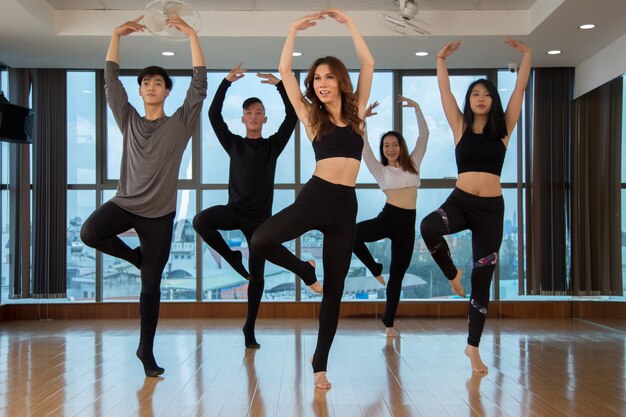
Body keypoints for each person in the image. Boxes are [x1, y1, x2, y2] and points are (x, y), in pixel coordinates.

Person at [251, 9, 374, 389]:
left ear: (340, 80)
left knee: (334, 290)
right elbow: (285, 72)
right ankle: (305, 272)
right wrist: (291, 30)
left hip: (345, 206)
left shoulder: (356, 115)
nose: (321, 83)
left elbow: (369, 62)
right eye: (316, 78)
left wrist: (351, 25)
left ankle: (320, 364)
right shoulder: (310, 115)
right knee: (261, 240)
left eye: (328, 76)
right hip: (316, 196)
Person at [80, 14, 207, 377]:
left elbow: (199, 85)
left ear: (167, 91)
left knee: (151, 286)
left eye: (158, 83)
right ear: (140, 91)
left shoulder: (180, 124)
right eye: (146, 83)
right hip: (125, 204)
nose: (151, 86)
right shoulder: (129, 119)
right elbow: (110, 82)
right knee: (90, 233)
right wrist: (116, 35)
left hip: (160, 216)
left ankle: (145, 351)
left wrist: (192, 34)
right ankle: (138, 258)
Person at [420, 37, 531, 373]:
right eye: (475, 94)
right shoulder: (460, 127)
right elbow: (444, 94)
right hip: (460, 202)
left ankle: (473, 347)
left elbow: (519, 91)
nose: (481, 98)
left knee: (483, 278)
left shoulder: (503, 130)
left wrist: (527, 55)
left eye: (486, 94)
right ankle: (451, 273)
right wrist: (440, 58)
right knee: (428, 226)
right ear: (469, 101)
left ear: (493, 101)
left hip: (491, 212)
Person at [192, 62, 297, 349]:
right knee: (200, 221)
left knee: (258, 277)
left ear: (265, 119)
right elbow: (213, 115)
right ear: (243, 119)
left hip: (260, 221)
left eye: (258, 113)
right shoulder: (234, 144)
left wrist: (280, 85)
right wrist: (225, 82)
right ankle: (231, 258)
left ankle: (249, 329)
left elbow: (293, 116)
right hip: (234, 210)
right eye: (249, 113)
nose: (253, 116)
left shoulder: (273, 146)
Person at [353, 96, 429, 337]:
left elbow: (424, 137)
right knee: (351, 234)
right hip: (388, 218)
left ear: (401, 146)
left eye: (394, 144)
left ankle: (389, 323)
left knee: (397, 275)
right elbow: (363, 147)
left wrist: (417, 108)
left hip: (407, 224)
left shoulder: (414, 163)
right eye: (386, 145)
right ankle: (374, 267)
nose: (391, 148)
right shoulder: (380, 170)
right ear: (383, 149)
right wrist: (362, 120)